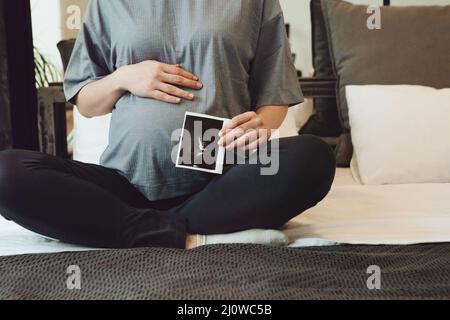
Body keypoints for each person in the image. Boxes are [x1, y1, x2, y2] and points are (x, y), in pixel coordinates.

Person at [0, 0, 335, 250]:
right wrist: (124, 77)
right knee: (6, 172)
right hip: (125, 184)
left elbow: (274, 91)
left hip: (224, 182)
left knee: (312, 157)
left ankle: (127, 228)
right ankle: (194, 235)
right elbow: (86, 102)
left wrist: (261, 123)